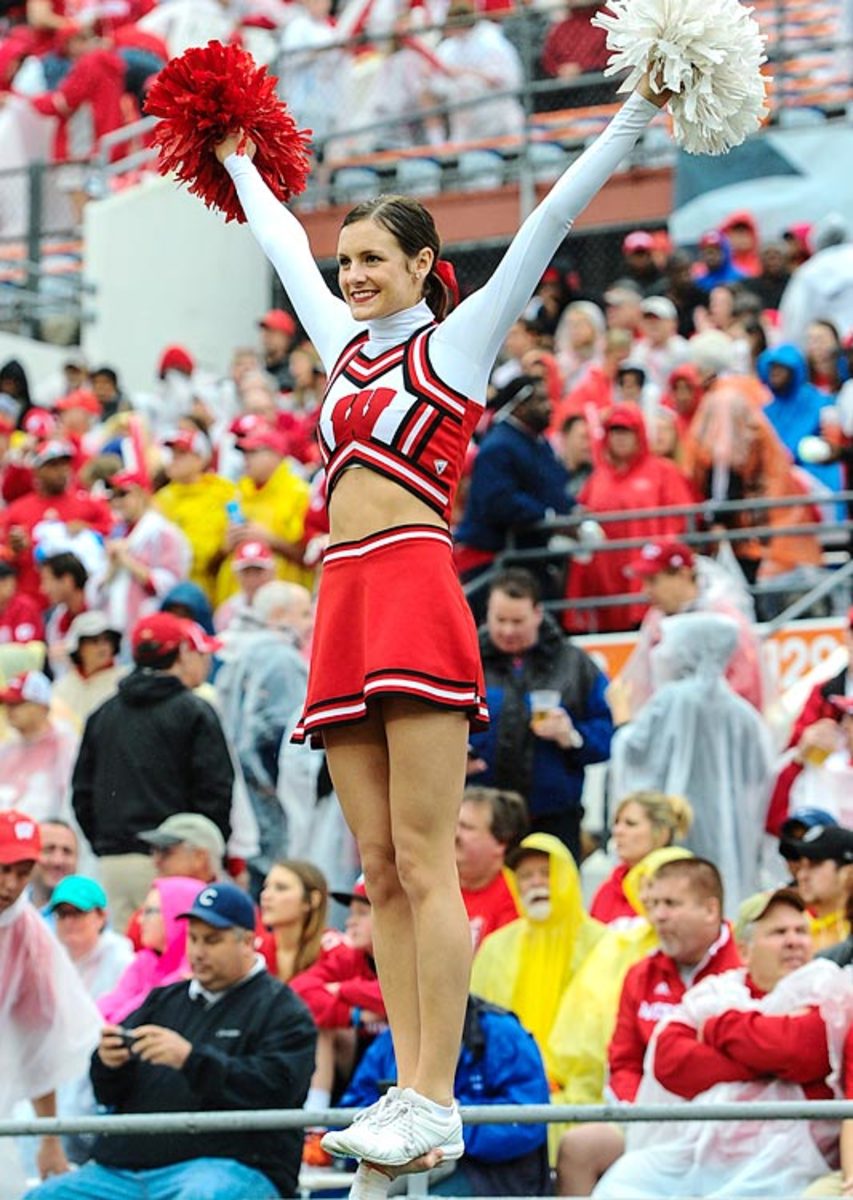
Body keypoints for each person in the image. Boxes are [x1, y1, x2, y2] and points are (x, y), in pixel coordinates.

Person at [214, 67, 673, 1174]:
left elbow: (552, 216)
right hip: (342, 596)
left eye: (375, 259)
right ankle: (406, 1093)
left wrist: (633, 115)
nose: (353, 274)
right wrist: (231, 152)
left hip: (415, 586)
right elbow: (279, 238)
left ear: (425, 266)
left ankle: (433, 1093)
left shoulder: (457, 344)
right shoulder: (338, 349)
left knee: (425, 859)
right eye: (349, 262)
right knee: (374, 859)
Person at [25, 881, 317, 1200]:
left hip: (231, 1166)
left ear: (247, 941)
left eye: (212, 940)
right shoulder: (162, 1000)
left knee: (206, 1195)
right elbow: (109, 1093)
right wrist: (107, 1063)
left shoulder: (283, 1009)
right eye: (192, 938)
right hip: (123, 1171)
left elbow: (277, 1090)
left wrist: (190, 1060)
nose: (198, 951)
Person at [593, 892, 851, 1200]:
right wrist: (768, 1060)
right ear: (744, 951)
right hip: (702, 1148)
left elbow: (802, 1051)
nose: (794, 941)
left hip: (789, 1160)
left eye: (801, 931)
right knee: (624, 1181)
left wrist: (719, 1027)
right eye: (779, 933)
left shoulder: (831, 986)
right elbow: (671, 1062)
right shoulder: (718, 991)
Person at [555, 857, 741, 1196]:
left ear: (711, 910)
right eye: (653, 904)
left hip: (726, 1119)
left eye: (671, 903)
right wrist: (643, 1111)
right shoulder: (641, 973)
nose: (658, 916)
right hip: (648, 1115)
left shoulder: (746, 966)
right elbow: (623, 1061)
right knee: (578, 1147)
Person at [71, 612, 234, 929]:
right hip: (178, 861)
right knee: (175, 962)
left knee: (129, 964)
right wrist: (205, 852)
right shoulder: (194, 711)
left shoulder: (103, 713)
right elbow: (216, 792)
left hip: (114, 864)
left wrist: (108, 846)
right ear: (182, 653)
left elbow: (81, 794)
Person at [609, 613, 773, 910]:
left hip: (679, 832)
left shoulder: (670, 699)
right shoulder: (743, 713)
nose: (660, 653)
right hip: (729, 836)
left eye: (667, 644)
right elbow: (761, 774)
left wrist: (621, 718)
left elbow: (634, 752)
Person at [341, 993, 551, 1196]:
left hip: (488, 1175)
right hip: (402, 1168)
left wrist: (448, 1124)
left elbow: (528, 1122)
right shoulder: (393, 1039)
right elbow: (354, 1105)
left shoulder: (500, 1033)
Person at [468, 568, 613, 860]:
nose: (508, 630)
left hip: (554, 817)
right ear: (487, 614)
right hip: (480, 819)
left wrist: (572, 736)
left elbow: (609, 735)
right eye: (500, 620)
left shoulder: (575, 663)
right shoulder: (465, 660)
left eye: (517, 621)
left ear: (537, 613)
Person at [0, 811, 101, 1200]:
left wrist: (49, 1137)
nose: (10, 884)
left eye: (22, 871)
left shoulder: (29, 937)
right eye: (3, 868)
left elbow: (40, 1038)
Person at [470, 832, 604, 1082]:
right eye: (526, 876)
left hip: (579, 1086)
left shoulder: (601, 942)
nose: (536, 882)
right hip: (507, 1082)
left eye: (546, 872)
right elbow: (479, 1018)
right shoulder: (496, 946)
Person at [562, 404, 695, 633]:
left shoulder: (663, 472)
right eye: (614, 431)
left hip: (649, 581)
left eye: (627, 431)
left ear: (639, 434)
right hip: (605, 580)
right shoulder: (598, 478)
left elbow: (682, 519)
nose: (620, 438)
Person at [615, 537, 765, 718]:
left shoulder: (723, 621)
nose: (645, 591)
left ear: (683, 575)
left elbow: (746, 687)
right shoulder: (656, 621)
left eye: (653, 580)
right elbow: (644, 684)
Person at [97, 875, 204, 1023]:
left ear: (176, 915)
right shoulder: (146, 961)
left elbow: (134, 1015)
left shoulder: (193, 974)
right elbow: (109, 1005)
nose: (139, 920)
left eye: (149, 911)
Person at [100, 468, 192, 638]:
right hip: (117, 630)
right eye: (113, 496)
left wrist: (127, 561)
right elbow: (98, 589)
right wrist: (111, 569)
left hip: (153, 631)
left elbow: (172, 587)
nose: (117, 501)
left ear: (142, 494)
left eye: (123, 494)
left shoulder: (164, 533)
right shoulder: (116, 533)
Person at [590, 792, 693, 925]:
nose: (617, 831)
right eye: (617, 822)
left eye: (630, 824)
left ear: (662, 833)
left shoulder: (681, 887)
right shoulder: (608, 889)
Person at [0, 670, 79, 824]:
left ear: (42, 706)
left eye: (18, 704)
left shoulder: (65, 745)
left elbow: (70, 802)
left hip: (47, 838)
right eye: (7, 704)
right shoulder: (7, 748)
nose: (10, 710)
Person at [456, 786, 525, 950]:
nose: (454, 835)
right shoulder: (430, 888)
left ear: (500, 842)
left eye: (466, 827)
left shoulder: (516, 897)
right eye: (454, 825)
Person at [780, 825, 853, 952]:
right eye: (801, 866)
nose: (802, 876)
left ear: (848, 870)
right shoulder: (789, 930)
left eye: (815, 864)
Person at [51, 611, 126, 727]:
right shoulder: (62, 686)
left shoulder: (124, 681)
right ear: (78, 647)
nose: (103, 647)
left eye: (107, 640)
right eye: (94, 641)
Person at [28, 818, 78, 911]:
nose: (58, 861)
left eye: (67, 851)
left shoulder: (90, 918)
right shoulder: (9, 907)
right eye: (48, 850)